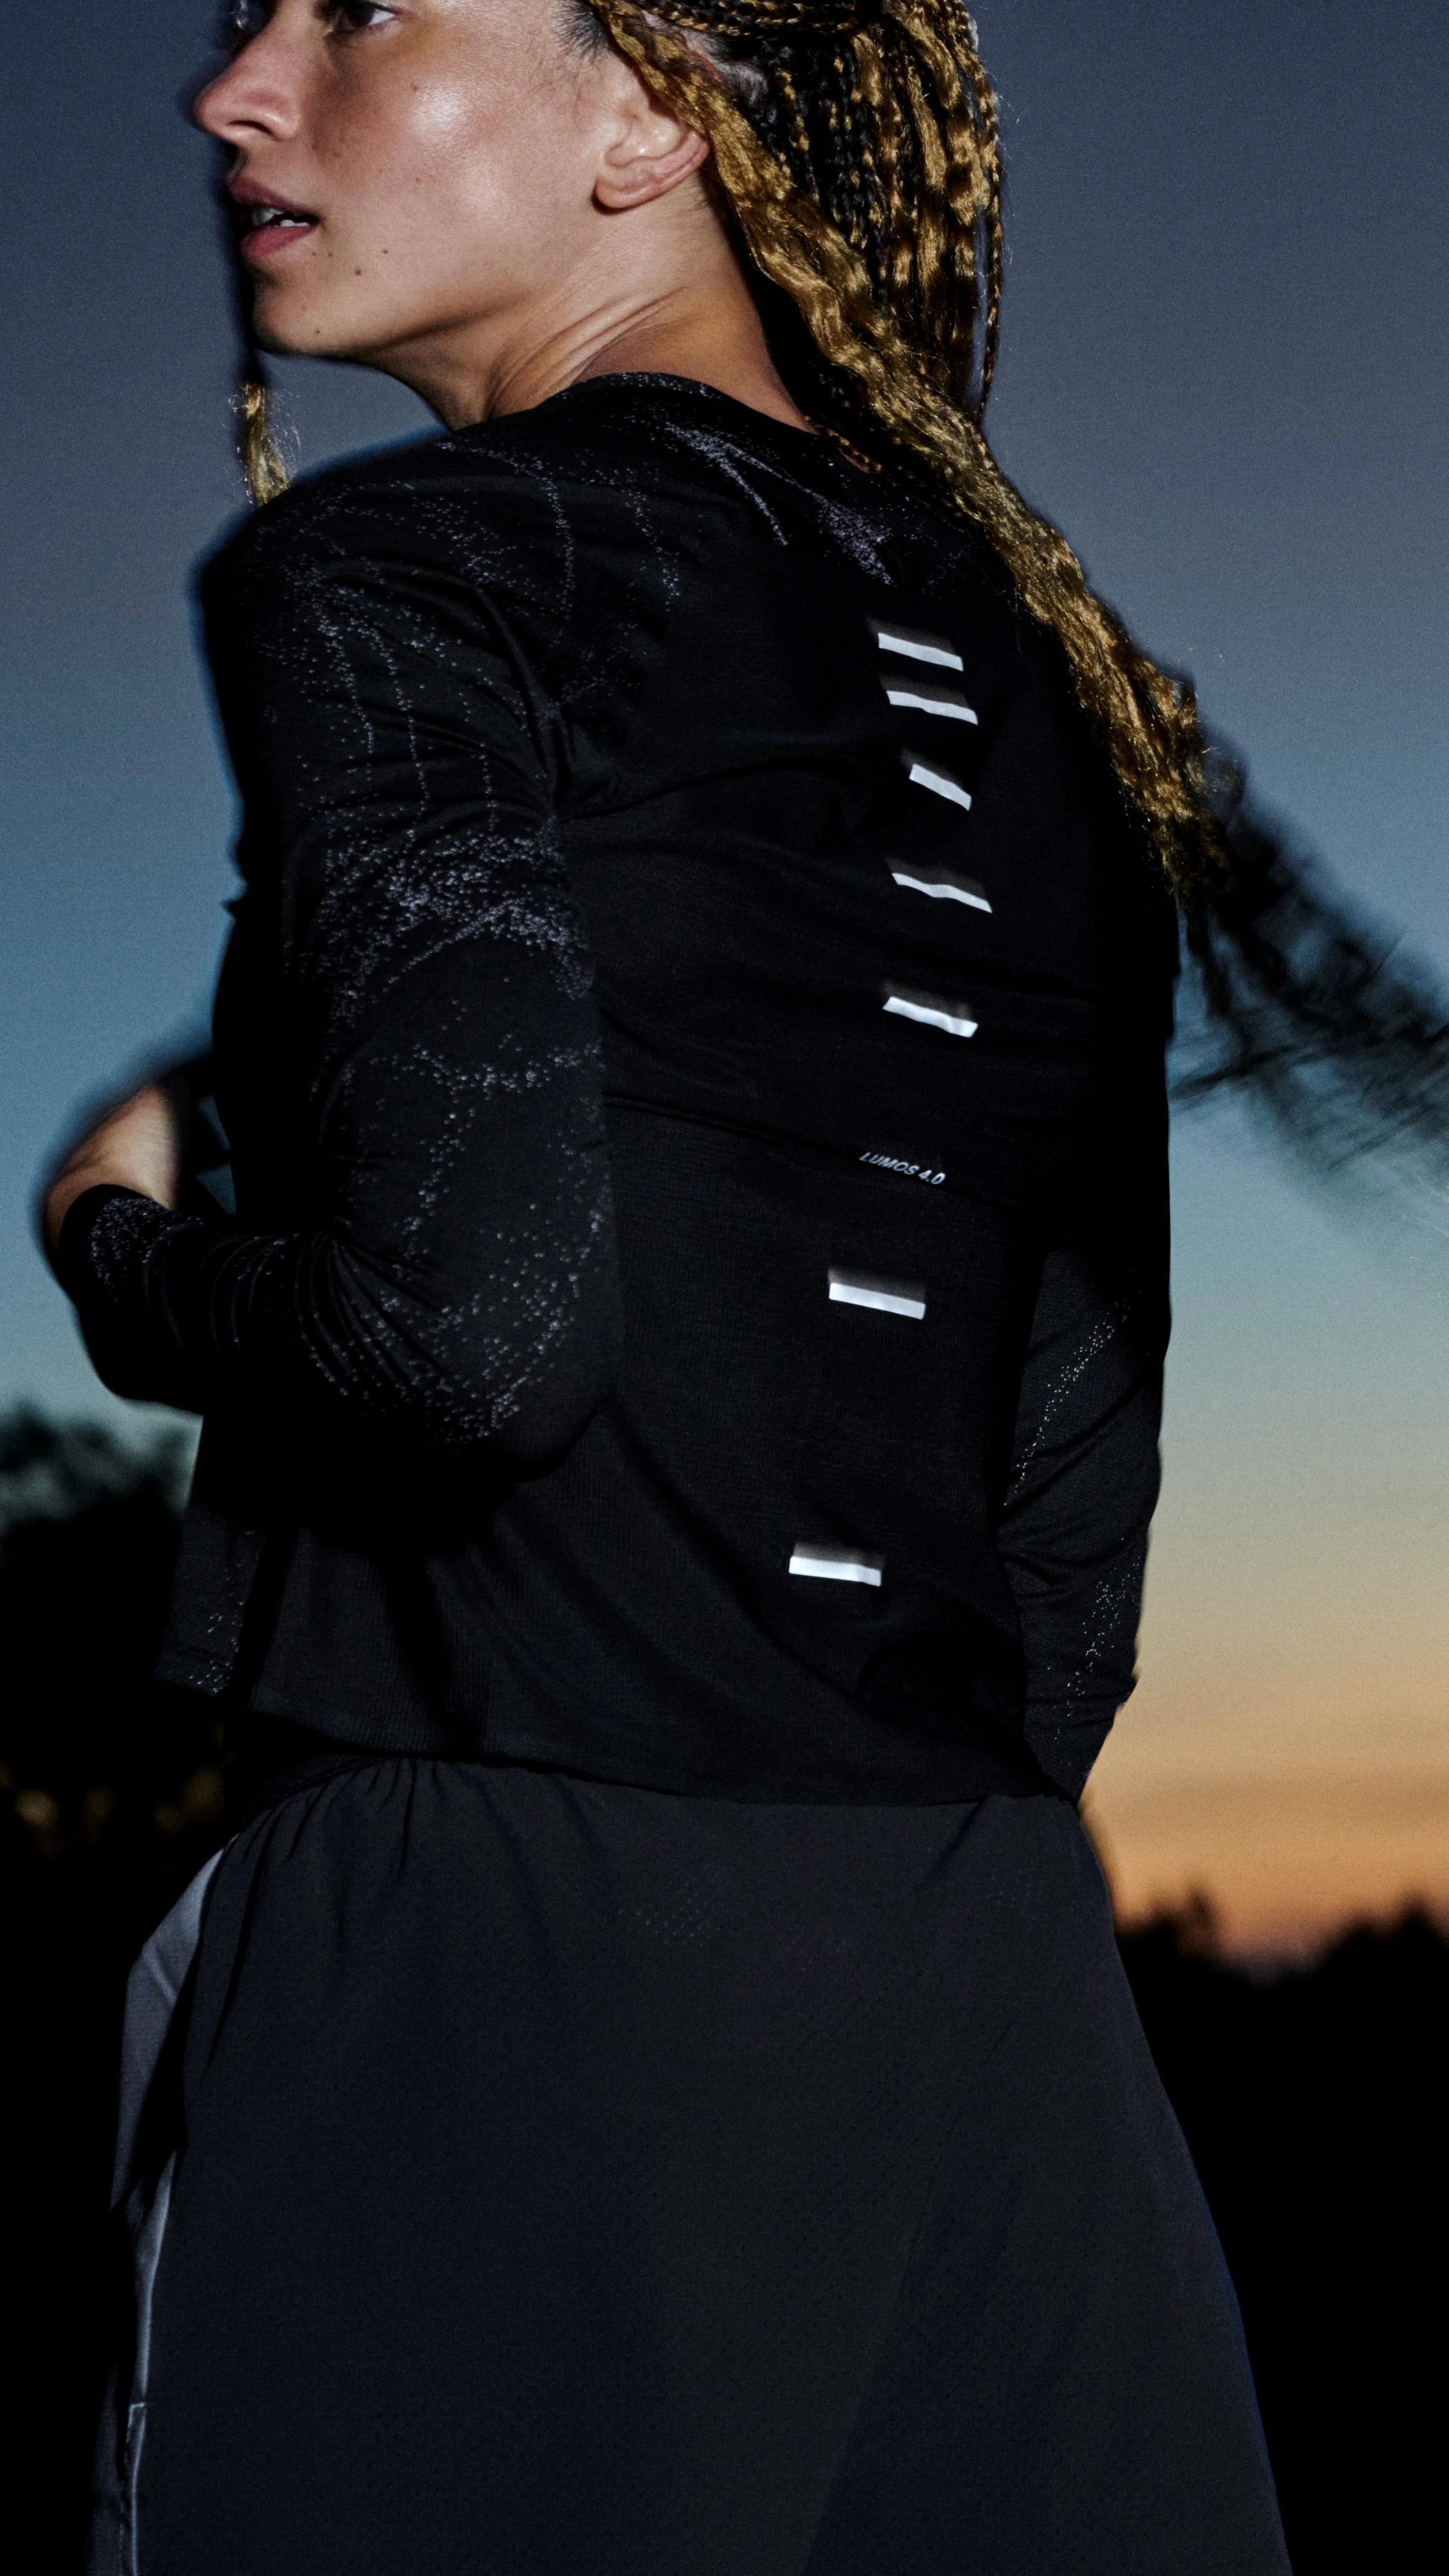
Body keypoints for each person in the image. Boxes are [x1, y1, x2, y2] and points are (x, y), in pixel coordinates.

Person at [46, 3, 1296, 2570]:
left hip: (487, 1982)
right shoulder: (1061, 683)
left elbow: (464, 1340)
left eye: (365, 7)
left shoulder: (404, 567)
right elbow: (1069, 1484)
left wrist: (117, 1241)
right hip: (979, 2003)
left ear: (658, 114)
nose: (234, 90)